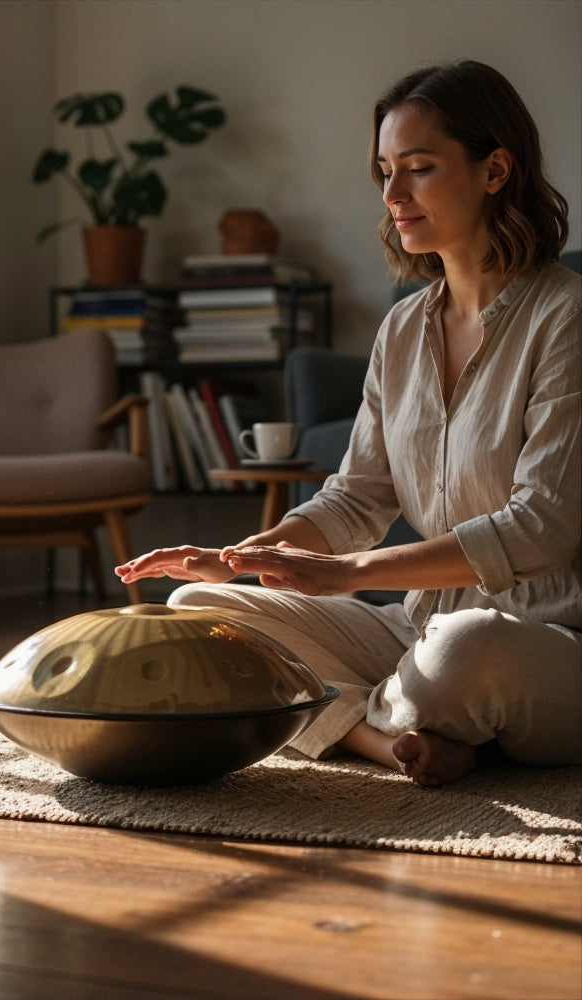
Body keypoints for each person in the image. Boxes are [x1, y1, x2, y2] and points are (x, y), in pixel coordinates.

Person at [115, 60, 581, 788]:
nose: (393, 195)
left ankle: (357, 722)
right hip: (415, 631)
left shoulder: (566, 317)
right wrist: (242, 559)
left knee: (462, 652)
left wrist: (349, 573)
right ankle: (392, 740)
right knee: (197, 610)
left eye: (419, 169)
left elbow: (542, 526)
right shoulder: (401, 331)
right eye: (385, 171)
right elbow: (358, 496)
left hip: (546, 641)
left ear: (495, 170)